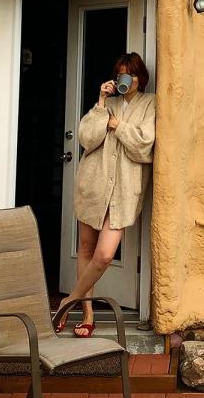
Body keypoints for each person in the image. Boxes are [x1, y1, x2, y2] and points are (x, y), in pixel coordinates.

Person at [56, 52, 156, 336]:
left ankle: (69, 299)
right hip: (93, 185)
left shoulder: (151, 104)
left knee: (104, 254)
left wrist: (118, 126)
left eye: (133, 74)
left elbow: (144, 146)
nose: (128, 80)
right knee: (86, 250)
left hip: (123, 192)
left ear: (141, 78)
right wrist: (100, 103)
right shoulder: (106, 104)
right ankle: (87, 315)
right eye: (123, 74)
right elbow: (87, 139)